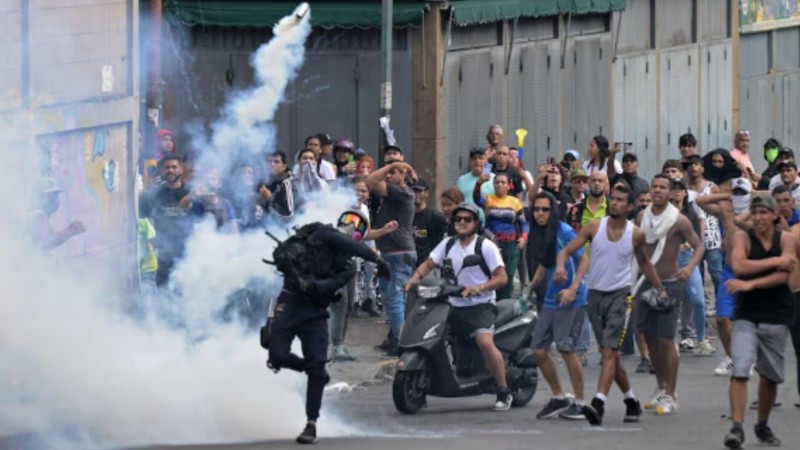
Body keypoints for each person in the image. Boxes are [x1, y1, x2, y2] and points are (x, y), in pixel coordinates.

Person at [266, 211, 391, 445]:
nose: (349, 228)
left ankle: (311, 423)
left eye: (356, 227)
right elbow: (348, 244)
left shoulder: (348, 266)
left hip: (315, 312)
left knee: (317, 363)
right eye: (348, 222)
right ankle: (316, 372)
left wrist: (315, 286)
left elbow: (334, 284)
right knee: (277, 355)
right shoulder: (324, 232)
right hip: (290, 301)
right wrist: (378, 260)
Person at [556, 184, 666, 425]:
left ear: (629, 206)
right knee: (611, 356)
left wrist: (659, 287)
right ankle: (631, 402)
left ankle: (598, 404)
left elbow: (645, 263)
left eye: (619, 200)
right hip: (595, 297)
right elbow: (567, 250)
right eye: (612, 199)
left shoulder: (635, 233)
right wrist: (562, 266)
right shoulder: (595, 227)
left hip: (621, 296)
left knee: (609, 352)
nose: (614, 203)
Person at [404, 202, 512, 411]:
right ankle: (424, 384)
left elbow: (502, 278)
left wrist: (479, 287)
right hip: (451, 304)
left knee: (485, 342)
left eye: (467, 219)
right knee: (430, 337)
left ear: (475, 223)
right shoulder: (447, 244)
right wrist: (413, 279)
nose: (461, 223)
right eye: (458, 219)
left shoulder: (485, 246)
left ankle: (503, 390)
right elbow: (429, 264)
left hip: (481, 305)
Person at [721, 195, 795, 449]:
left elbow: (784, 275)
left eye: (765, 212)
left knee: (770, 376)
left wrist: (751, 283)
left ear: (775, 216)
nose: (760, 217)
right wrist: (775, 261)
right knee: (740, 369)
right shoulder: (743, 238)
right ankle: (737, 427)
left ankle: (762, 424)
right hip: (747, 314)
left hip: (776, 314)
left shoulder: (786, 239)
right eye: (756, 212)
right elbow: (739, 265)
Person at [634, 175, 704, 416]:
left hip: (671, 283)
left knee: (666, 340)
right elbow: (637, 249)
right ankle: (661, 387)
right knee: (649, 337)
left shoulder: (679, 220)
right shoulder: (642, 217)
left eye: (663, 187)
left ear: (671, 192)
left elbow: (699, 245)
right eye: (654, 186)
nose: (657, 191)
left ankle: (672, 394)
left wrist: (690, 267)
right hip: (645, 283)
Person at [528, 192, 598, 424]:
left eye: (545, 210)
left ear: (553, 211)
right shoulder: (538, 232)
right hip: (551, 298)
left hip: (571, 299)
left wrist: (573, 288)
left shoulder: (564, 231)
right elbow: (545, 263)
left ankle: (580, 402)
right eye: (536, 209)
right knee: (538, 350)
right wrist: (530, 288)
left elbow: (584, 260)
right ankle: (559, 397)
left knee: (567, 350)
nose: (540, 213)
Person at [366, 160, 417, 356]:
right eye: (389, 171)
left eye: (393, 173)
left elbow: (370, 181)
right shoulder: (397, 193)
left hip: (399, 252)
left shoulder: (401, 191)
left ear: (402, 175)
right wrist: (394, 166)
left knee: (394, 299)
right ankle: (397, 340)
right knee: (393, 299)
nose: (388, 175)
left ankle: (404, 345)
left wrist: (393, 164)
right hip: (392, 252)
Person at [140, 155, 194, 287]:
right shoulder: (154, 194)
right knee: (163, 298)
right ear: (162, 171)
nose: (170, 170)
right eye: (167, 168)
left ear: (181, 170)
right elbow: (143, 218)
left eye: (174, 167)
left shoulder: (191, 192)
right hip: (163, 258)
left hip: (189, 255)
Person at [474, 172, 528, 299]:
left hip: (511, 243)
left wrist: (524, 238)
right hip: (491, 243)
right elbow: (476, 197)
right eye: (497, 182)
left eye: (503, 182)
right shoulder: (488, 199)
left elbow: (524, 224)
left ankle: (506, 303)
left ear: (509, 185)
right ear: (493, 184)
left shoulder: (515, 202)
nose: (500, 185)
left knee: (509, 274)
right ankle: (493, 301)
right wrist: (479, 183)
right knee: (493, 274)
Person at [29, 177, 85, 250]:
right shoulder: (38, 215)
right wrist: (71, 230)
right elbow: (47, 242)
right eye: (51, 196)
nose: (55, 200)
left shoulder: (37, 214)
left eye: (56, 195)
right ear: (41, 197)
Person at [411, 178, 447, 267]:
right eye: (413, 190)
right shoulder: (405, 216)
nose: (416, 194)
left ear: (426, 192)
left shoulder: (435, 216)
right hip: (409, 266)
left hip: (428, 268)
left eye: (419, 191)